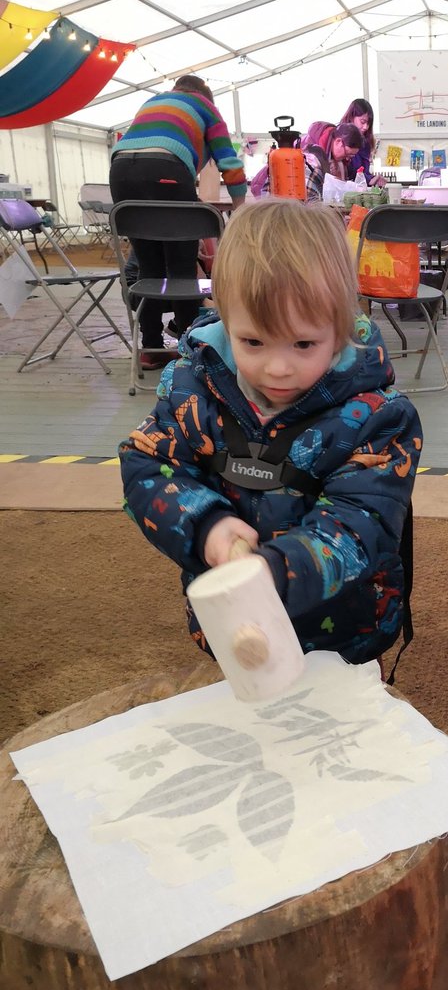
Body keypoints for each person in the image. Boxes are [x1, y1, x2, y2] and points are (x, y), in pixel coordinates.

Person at [119, 199, 422, 669]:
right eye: (253, 341)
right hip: (233, 629)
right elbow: (146, 467)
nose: (278, 368)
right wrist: (206, 526)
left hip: (343, 633)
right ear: (223, 319)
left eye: (304, 343)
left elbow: (361, 522)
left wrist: (272, 570)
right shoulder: (190, 390)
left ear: (341, 326)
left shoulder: (379, 419)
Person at [110, 74, 246, 370]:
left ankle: (151, 349)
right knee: (183, 271)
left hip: (120, 171)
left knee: (150, 270)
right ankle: (189, 349)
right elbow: (229, 161)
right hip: (167, 169)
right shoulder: (205, 107)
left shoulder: (153, 101)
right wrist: (241, 208)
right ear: (205, 95)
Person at [301, 121, 363, 199]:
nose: (347, 158)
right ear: (338, 142)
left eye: (351, 156)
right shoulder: (313, 157)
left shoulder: (339, 161)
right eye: (347, 154)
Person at [339, 98, 385, 187]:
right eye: (362, 122)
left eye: (369, 124)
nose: (366, 127)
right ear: (351, 117)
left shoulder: (365, 143)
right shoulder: (339, 138)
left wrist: (372, 178)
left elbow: (363, 172)